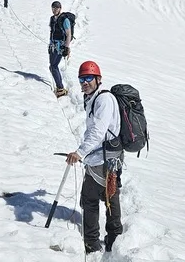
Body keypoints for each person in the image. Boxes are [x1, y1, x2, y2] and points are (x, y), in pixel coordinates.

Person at [66, 60, 123, 256]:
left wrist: (80, 152)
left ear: (98, 79)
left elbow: (98, 131)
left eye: (88, 78)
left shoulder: (103, 100)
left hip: (104, 157)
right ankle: (114, 239)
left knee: (90, 198)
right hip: (105, 156)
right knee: (110, 195)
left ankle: (93, 243)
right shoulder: (94, 98)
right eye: (82, 78)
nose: (84, 82)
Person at [48, 1, 73, 97]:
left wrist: (66, 48)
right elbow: (52, 32)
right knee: (52, 66)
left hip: (60, 46)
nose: (54, 9)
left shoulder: (64, 20)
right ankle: (59, 87)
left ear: (60, 8)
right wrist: (50, 44)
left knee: (54, 66)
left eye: (56, 8)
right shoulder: (52, 19)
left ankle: (60, 88)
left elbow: (68, 34)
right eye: (53, 7)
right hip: (53, 45)